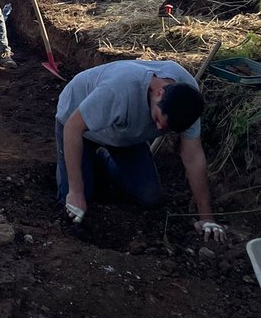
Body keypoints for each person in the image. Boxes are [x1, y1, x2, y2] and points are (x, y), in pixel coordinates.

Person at [56, 58, 225, 243]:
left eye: (166, 128)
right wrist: (76, 192)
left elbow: (193, 157)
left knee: (149, 195)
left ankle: (102, 161)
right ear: (159, 93)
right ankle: (83, 163)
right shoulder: (120, 88)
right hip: (79, 127)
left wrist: (206, 217)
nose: (159, 129)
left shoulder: (187, 101)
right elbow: (73, 128)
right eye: (159, 119)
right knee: (75, 204)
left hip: (125, 134)